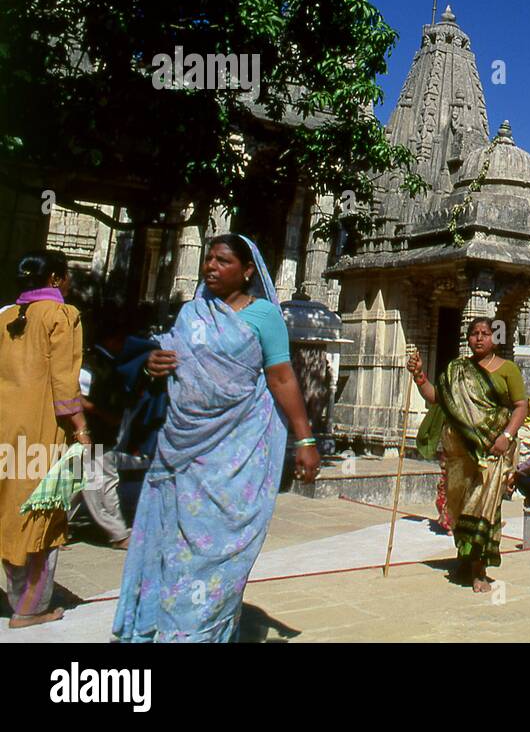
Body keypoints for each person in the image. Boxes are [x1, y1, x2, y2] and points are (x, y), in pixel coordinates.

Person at [112, 234, 321, 642]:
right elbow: (170, 362)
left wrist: (305, 440)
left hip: (234, 455)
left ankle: (201, 633)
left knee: (218, 557)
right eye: (208, 259)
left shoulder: (263, 316)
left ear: (247, 271)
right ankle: (163, 629)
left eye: (222, 261)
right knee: (174, 552)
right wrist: (154, 364)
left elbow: (280, 378)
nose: (210, 266)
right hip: (181, 452)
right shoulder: (190, 313)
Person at [0, 250, 93, 628]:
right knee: (42, 511)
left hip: (6, 425)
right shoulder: (62, 316)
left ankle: (13, 591)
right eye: (67, 275)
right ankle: (30, 607)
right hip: (41, 430)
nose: (69, 281)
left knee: (9, 507)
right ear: (55, 279)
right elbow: (65, 385)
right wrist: (82, 430)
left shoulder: (6, 316)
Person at [406, 316, 528, 593]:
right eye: (474, 333)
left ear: (495, 338)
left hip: (493, 452)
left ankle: (479, 571)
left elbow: (520, 406)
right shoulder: (456, 370)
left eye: (485, 333)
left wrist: (506, 436)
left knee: (483, 509)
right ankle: (465, 559)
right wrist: (419, 377)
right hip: (461, 452)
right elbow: (438, 399)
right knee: (461, 509)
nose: (479, 338)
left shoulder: (507, 369)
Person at [71, 326, 131, 549]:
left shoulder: (105, 364)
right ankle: (118, 534)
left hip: (97, 436)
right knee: (103, 484)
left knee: (75, 486)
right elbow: (77, 401)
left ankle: (52, 529)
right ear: (111, 340)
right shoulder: (91, 366)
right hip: (93, 436)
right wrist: (95, 415)